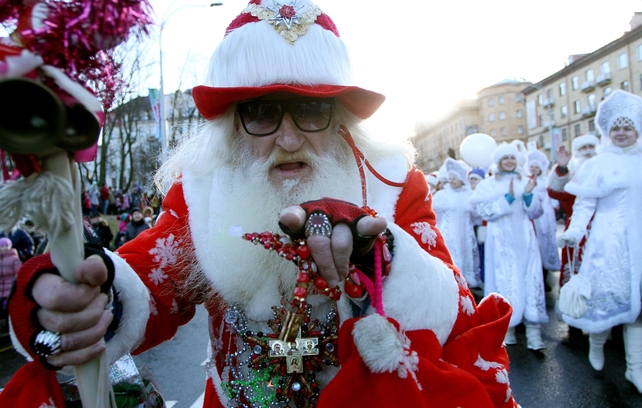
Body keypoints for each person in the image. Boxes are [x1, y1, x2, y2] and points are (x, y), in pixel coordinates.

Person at [5, 2, 518, 407]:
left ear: (340, 119)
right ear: (232, 124)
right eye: (263, 113)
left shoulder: (393, 185)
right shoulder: (201, 193)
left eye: (311, 110)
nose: (289, 138)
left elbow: (458, 314)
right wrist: (82, 300)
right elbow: (147, 282)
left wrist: (380, 254)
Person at [557, 90, 642, 392]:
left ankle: (635, 368)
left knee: (638, 308)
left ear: (637, 129)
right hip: (608, 244)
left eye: (627, 127)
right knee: (604, 302)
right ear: (608, 131)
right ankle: (596, 342)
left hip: (639, 244)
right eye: (616, 128)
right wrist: (574, 232)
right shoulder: (598, 164)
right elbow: (584, 207)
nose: (621, 133)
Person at [470, 142, 548, 350]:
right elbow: (485, 212)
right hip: (501, 241)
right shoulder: (488, 185)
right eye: (505, 158)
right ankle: (508, 328)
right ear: (498, 161)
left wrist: (529, 195)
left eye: (512, 158)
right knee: (505, 278)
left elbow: (535, 213)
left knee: (530, 278)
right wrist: (509, 197)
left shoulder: (525, 181)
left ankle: (534, 333)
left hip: (525, 238)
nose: (509, 161)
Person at [547, 134, 599, 288]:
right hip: (577, 228)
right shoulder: (574, 174)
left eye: (591, 147)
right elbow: (555, 192)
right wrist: (562, 168)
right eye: (583, 148)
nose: (588, 151)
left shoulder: (608, 170)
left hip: (604, 228)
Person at [432, 158, 481, 289]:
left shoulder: (470, 195)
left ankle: (466, 283)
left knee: (467, 254)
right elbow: (434, 214)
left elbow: (477, 216)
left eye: (455, 178)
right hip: (449, 233)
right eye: (450, 178)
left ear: (462, 179)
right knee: (451, 256)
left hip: (466, 233)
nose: (452, 181)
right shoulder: (442, 195)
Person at [527, 149, 560, 291]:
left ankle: (545, 277)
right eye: (532, 166)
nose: (534, 169)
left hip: (545, 220)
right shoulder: (526, 181)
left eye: (537, 167)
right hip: (532, 221)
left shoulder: (546, 183)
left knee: (544, 249)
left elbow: (552, 201)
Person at [0, 237, 21, 332]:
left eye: (6, 246)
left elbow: (18, 272)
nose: (4, 248)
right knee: (2, 308)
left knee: (8, 306)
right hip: (1, 288)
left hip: (10, 287)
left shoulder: (14, 258)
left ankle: (11, 324)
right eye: (2, 246)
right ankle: (5, 324)